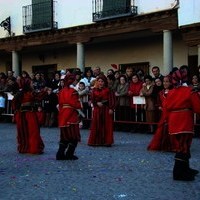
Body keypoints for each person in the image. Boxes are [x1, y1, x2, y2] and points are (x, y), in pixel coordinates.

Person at [165, 68, 200, 181]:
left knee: (182, 146)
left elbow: (166, 107)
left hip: (174, 121)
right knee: (183, 147)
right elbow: (198, 108)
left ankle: (185, 169)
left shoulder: (170, 92)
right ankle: (179, 173)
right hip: (184, 122)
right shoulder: (189, 91)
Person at [12, 81, 45, 154]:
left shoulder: (21, 93)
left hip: (23, 115)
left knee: (25, 131)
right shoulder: (29, 93)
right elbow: (39, 96)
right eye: (31, 84)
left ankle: (26, 147)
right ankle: (33, 148)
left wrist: (17, 110)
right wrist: (44, 90)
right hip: (29, 114)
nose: (32, 85)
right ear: (27, 85)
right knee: (33, 131)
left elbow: (14, 104)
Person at [56, 74, 82, 160]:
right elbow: (76, 104)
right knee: (74, 136)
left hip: (63, 114)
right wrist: (80, 106)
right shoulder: (73, 91)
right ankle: (69, 154)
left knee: (64, 136)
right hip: (71, 114)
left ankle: (60, 154)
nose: (76, 81)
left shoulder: (61, 91)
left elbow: (60, 104)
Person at [147, 75, 175, 151]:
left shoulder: (174, 91)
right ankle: (163, 145)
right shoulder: (161, 92)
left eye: (167, 81)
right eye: (164, 82)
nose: (165, 83)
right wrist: (159, 106)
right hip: (164, 113)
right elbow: (158, 102)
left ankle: (172, 146)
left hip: (172, 114)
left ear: (171, 82)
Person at [88, 74, 115, 146]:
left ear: (105, 82)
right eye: (99, 81)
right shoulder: (94, 90)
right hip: (97, 109)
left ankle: (107, 141)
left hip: (106, 109)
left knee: (106, 125)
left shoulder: (108, 90)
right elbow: (92, 100)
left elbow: (112, 100)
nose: (100, 83)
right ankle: (96, 141)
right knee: (97, 124)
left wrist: (111, 108)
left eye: (102, 81)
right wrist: (97, 103)